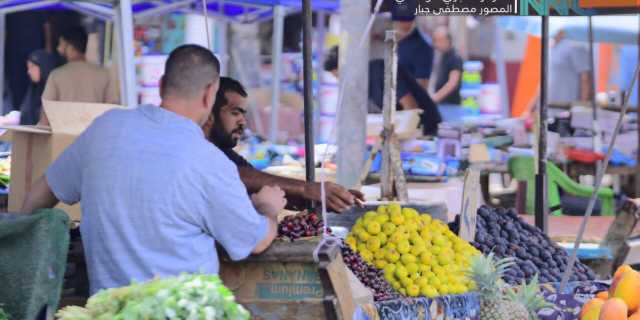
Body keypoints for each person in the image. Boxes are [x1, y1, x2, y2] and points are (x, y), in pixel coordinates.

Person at [21, 44, 286, 294]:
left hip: (106, 310)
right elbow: (256, 241)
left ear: (160, 86)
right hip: (183, 310)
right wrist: (268, 207)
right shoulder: (210, 161)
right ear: (209, 95)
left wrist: (16, 249)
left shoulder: (105, 129)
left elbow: (40, 193)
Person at [205, 76, 365, 213]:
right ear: (209, 113)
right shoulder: (199, 151)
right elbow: (231, 174)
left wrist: (323, 200)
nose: (242, 121)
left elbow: (265, 189)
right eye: (234, 113)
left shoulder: (227, 154)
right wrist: (309, 189)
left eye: (242, 114)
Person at [42, 26, 118, 121]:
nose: (58, 49)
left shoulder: (56, 75)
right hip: (95, 133)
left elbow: (46, 111)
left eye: (61, 44)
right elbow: (113, 108)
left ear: (70, 47)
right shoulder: (104, 73)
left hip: (64, 133)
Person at [391, 0, 434, 93]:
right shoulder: (392, 41)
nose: (399, 23)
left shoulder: (422, 47)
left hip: (406, 104)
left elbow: (421, 88)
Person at [549, 30, 591, 103]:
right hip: (550, 104)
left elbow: (585, 78)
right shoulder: (552, 48)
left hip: (567, 104)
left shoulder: (575, 46)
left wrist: (582, 105)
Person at [19, 50, 59, 125]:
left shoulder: (55, 90)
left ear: (43, 66)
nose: (29, 72)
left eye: (32, 67)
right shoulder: (32, 91)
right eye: (28, 68)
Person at [432, 26, 463, 105]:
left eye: (440, 40)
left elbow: (452, 83)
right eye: (436, 40)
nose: (437, 44)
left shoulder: (455, 57)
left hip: (450, 105)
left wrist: (435, 98)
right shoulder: (442, 56)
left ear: (448, 40)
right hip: (441, 104)